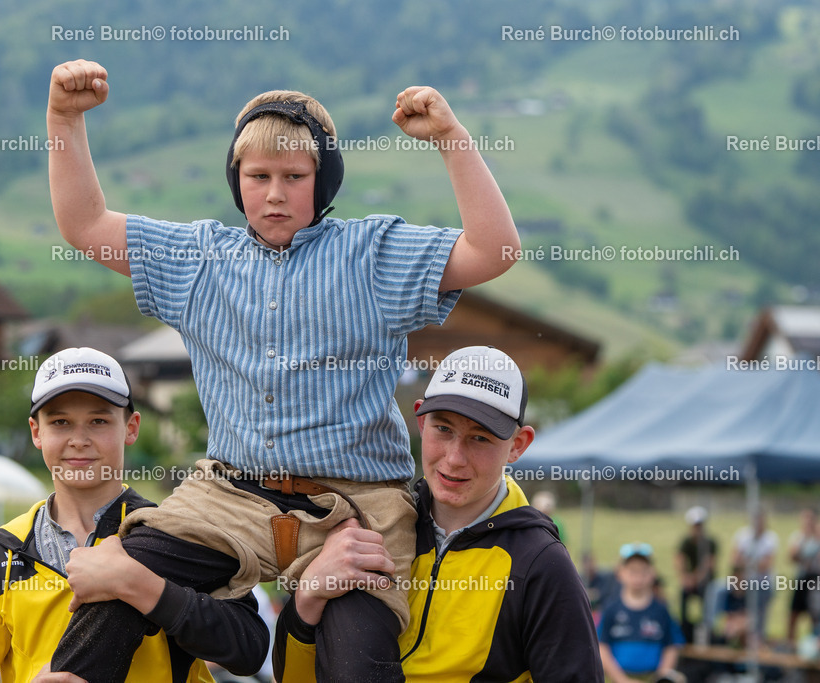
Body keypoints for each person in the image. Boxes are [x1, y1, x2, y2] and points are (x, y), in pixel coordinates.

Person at [45, 58, 520, 682]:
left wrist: (451, 139)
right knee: (113, 584)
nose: (274, 193)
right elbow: (84, 226)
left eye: (294, 176)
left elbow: (495, 250)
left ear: (322, 184)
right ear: (235, 179)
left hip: (356, 505)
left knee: (358, 648)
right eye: (258, 175)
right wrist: (64, 117)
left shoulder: (370, 255)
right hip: (227, 495)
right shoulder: (198, 259)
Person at [0, 347, 268, 683]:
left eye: (98, 421)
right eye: (61, 422)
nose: (79, 439)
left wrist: (145, 589)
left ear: (130, 427)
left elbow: (248, 648)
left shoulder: (176, 534)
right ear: (36, 432)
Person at [270, 346, 604, 681]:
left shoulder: (542, 566)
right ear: (420, 420)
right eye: (443, 429)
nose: (455, 458)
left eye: (480, 438)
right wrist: (309, 595)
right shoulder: (371, 526)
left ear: (518, 445)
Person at [598, 543, 686, 683]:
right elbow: (602, 647)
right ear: (620, 573)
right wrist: (621, 679)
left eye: (643, 571)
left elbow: (672, 646)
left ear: (652, 573)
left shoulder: (662, 610)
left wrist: (661, 676)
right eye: (632, 571)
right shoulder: (611, 609)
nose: (638, 577)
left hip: (652, 677)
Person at [731, 510, 778, 644]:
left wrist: (747, 562)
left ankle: (758, 636)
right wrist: (753, 564)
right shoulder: (742, 535)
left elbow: (766, 565)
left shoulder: (770, 538)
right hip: (742, 581)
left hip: (762, 583)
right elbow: (735, 560)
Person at [675, 505, 717, 642]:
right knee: (683, 596)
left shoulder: (710, 542)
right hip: (691, 580)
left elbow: (708, 564)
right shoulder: (686, 542)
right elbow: (679, 560)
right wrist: (685, 577)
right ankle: (685, 630)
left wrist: (696, 578)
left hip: (706, 582)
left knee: (707, 599)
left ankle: (706, 631)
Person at [787, 507, 820, 643]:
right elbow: (792, 556)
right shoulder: (798, 537)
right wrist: (804, 539)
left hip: (816, 579)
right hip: (801, 578)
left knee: (815, 614)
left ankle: (814, 639)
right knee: (793, 612)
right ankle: (790, 642)